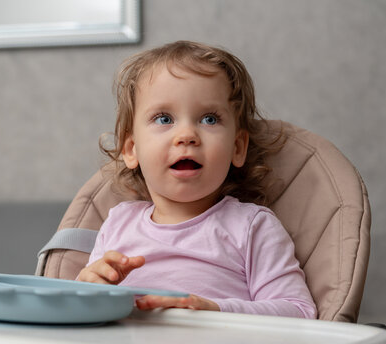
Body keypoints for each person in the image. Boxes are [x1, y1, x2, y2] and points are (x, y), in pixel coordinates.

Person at [77, 40, 317, 318]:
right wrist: (86, 289)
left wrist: (214, 310)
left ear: (237, 148)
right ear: (132, 150)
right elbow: (85, 310)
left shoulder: (251, 227)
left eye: (209, 119)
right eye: (164, 119)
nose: (187, 135)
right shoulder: (118, 223)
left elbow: (300, 312)